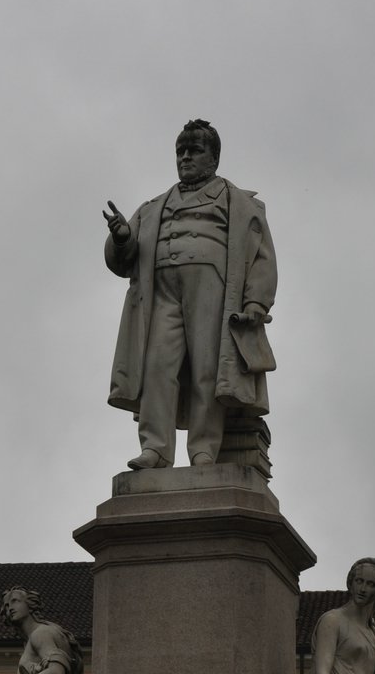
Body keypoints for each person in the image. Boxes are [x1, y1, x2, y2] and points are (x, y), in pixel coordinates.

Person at [102, 119, 277, 470]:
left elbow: (261, 256)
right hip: (160, 291)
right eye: (180, 151)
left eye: (194, 151)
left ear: (213, 159)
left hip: (212, 289)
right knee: (157, 367)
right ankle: (156, 448)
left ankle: (203, 450)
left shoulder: (239, 203)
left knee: (206, 369)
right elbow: (123, 260)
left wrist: (255, 301)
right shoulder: (153, 207)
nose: (185, 157)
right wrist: (122, 237)